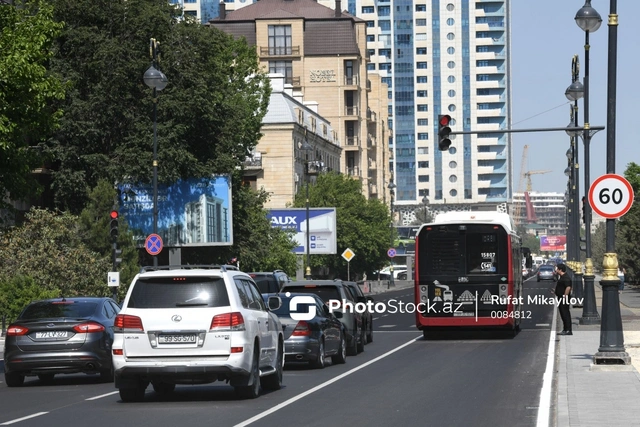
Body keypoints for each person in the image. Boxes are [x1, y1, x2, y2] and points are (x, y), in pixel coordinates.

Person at [554, 263, 573, 336]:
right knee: (562, 314)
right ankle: (565, 329)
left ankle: (568, 330)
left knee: (565, 314)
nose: (556, 270)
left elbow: (568, 287)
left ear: (560, 269)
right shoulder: (562, 277)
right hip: (561, 298)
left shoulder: (566, 277)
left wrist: (564, 296)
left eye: (557, 268)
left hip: (564, 299)